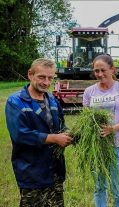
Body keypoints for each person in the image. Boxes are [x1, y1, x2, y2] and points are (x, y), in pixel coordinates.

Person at [5, 58, 73, 206]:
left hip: (54, 169)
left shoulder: (52, 100)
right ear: (30, 74)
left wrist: (70, 134)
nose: (46, 83)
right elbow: (20, 134)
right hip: (32, 171)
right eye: (42, 77)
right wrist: (54, 138)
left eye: (50, 78)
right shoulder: (15, 102)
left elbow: (61, 126)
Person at [83, 54, 119, 207]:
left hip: (117, 145)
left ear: (112, 69)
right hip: (97, 146)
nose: (99, 74)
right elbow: (86, 119)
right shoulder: (89, 92)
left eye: (103, 70)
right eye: (96, 71)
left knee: (118, 191)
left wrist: (112, 129)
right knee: (99, 188)